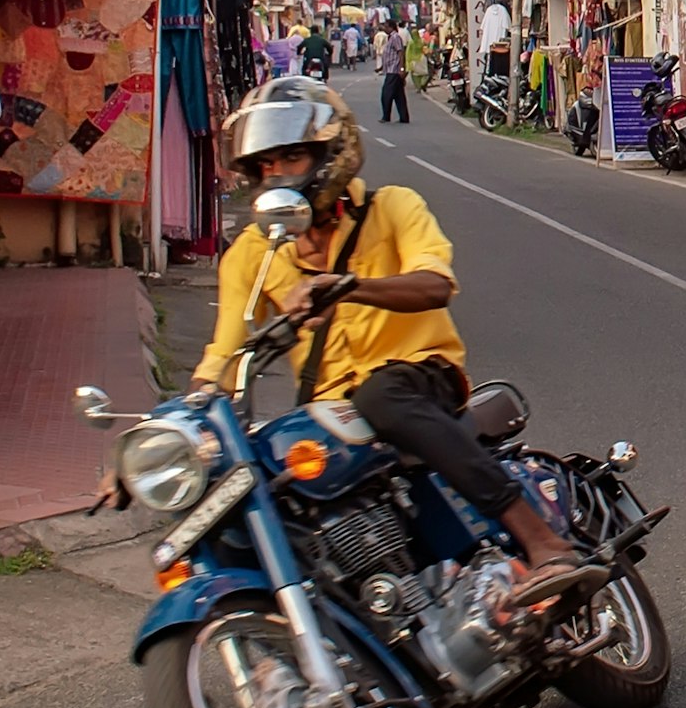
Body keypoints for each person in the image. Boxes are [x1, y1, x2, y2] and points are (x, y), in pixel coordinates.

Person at [195, 77, 589, 609]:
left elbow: (435, 284)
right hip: (330, 411)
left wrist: (353, 288)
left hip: (419, 375)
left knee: (380, 395)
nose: (276, 176)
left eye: (290, 157)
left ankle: (542, 541)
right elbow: (223, 355)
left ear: (329, 155)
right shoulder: (251, 252)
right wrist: (167, 435)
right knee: (256, 481)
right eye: (265, 164)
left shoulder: (394, 207)